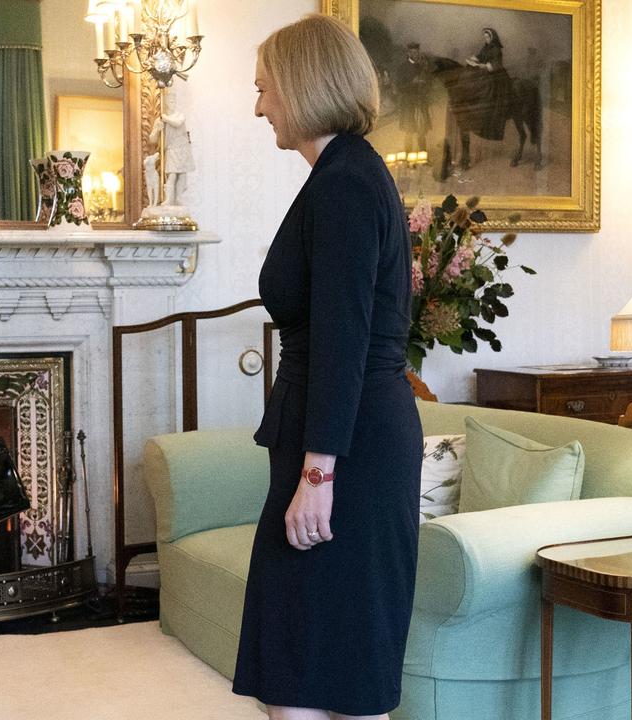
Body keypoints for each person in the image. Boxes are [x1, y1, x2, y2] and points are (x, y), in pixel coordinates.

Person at [236, 14, 421, 720]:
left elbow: (343, 340)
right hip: (340, 440)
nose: (259, 108)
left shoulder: (344, 182)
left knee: (333, 667)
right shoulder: (343, 175)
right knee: (307, 666)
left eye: (263, 90)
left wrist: (318, 474)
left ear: (301, 85)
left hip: (348, 452)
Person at [465, 27, 512, 141]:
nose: (485, 39)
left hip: (496, 75)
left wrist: (483, 66)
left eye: (487, 37)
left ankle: (487, 112)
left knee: (488, 89)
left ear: (492, 37)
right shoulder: (486, 47)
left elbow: (496, 65)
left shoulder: (496, 49)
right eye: (484, 37)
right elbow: (480, 56)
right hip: (486, 72)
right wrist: (473, 59)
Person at [395, 43, 433, 152]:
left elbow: (429, 84)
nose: (415, 54)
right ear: (408, 53)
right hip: (408, 104)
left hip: (420, 103)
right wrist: (412, 83)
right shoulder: (402, 68)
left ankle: (422, 157)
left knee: (421, 132)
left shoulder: (423, 67)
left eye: (416, 52)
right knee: (409, 132)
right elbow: (399, 87)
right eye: (412, 52)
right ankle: (408, 158)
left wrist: (425, 84)